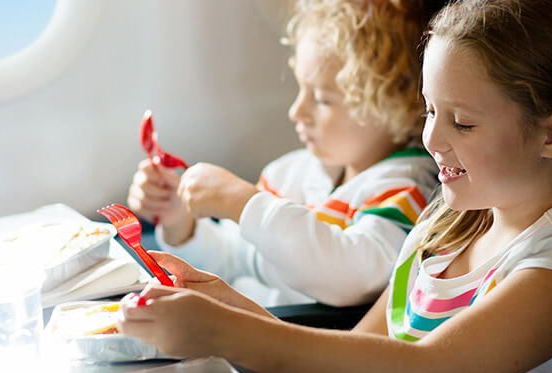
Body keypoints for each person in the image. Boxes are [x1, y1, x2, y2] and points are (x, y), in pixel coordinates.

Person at [119, 0, 552, 373]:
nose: (432, 139)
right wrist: (218, 299)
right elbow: (355, 370)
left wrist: (227, 332)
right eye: (430, 111)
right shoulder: (446, 229)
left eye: (463, 121)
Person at [127, 0, 438, 307]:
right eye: (301, 90)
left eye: (321, 99)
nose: (296, 111)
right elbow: (233, 261)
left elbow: (350, 278)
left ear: (399, 105)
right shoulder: (293, 174)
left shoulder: (407, 190)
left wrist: (243, 203)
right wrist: (179, 220)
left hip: (292, 342)